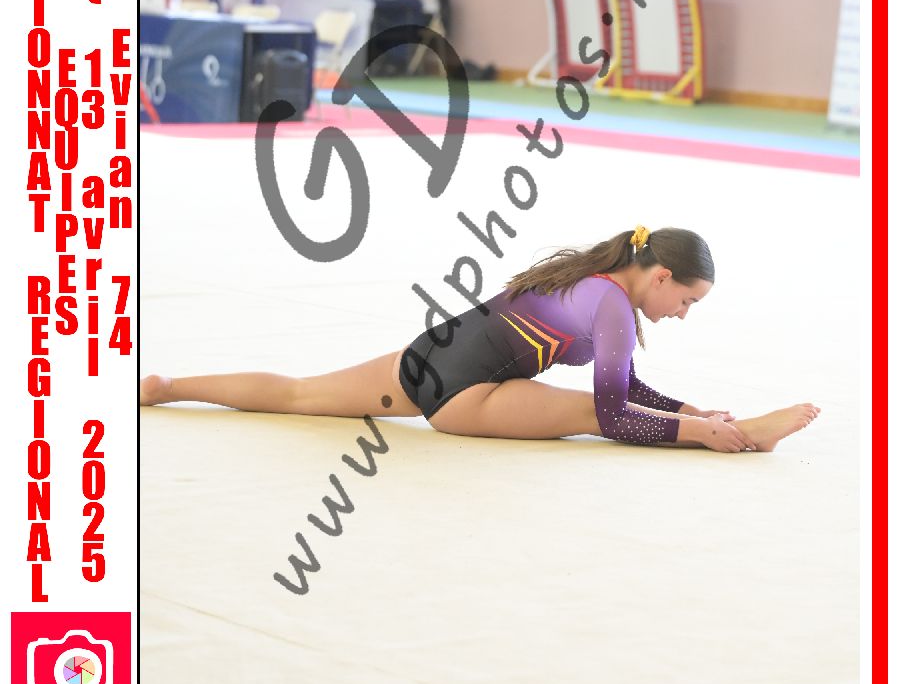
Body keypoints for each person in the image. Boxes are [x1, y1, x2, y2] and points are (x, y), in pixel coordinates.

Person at [140, 226, 820, 454]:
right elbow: (614, 411)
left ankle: (166, 386)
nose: (683, 314)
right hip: (467, 396)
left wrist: (688, 407)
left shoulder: (588, 278)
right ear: (662, 275)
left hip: (427, 356)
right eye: (688, 301)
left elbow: (626, 384)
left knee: (297, 394)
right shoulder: (612, 304)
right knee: (592, 416)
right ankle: (746, 435)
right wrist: (699, 431)